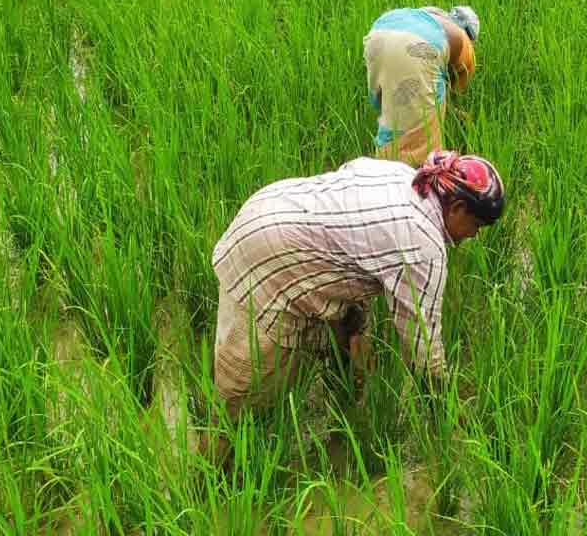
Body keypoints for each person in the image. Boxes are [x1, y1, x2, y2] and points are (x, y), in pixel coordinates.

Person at [208, 150, 505, 426]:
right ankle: (208, 464)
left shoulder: (403, 176)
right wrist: (446, 414)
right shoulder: (424, 246)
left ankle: (344, 414)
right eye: (476, 225)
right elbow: (423, 349)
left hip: (270, 209)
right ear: (457, 208)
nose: (475, 235)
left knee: (351, 339)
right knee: (241, 409)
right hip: (270, 260)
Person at [363, 5, 480, 167]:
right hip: (419, 46)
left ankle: (382, 163)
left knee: (390, 109)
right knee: (421, 137)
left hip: (378, 34)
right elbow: (455, 91)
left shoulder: (431, 15)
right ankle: (405, 173)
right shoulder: (464, 42)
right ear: (470, 34)